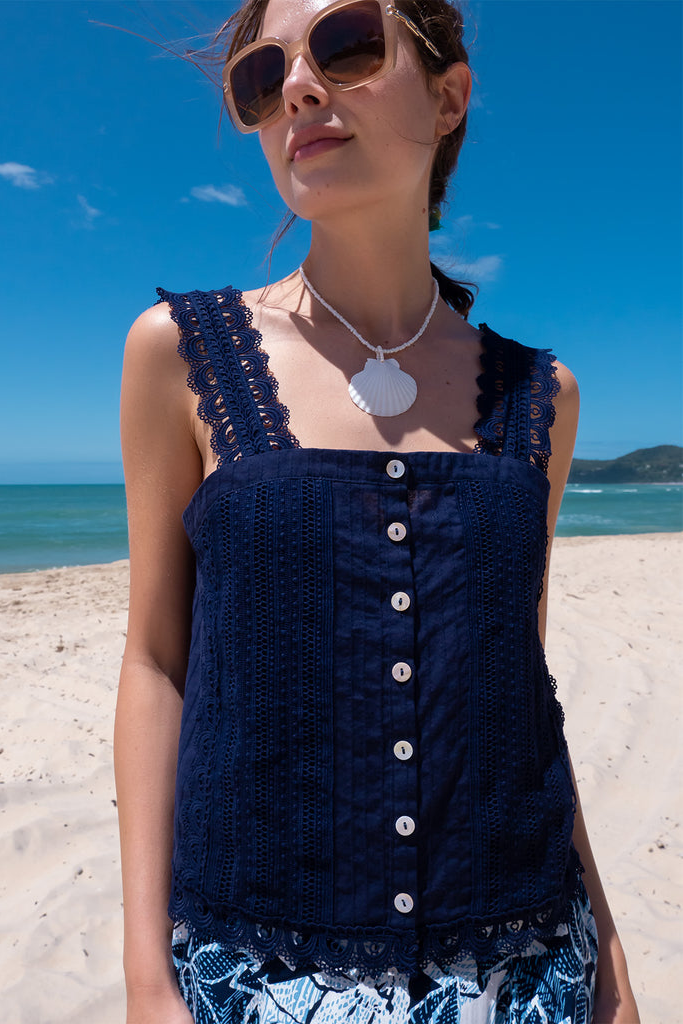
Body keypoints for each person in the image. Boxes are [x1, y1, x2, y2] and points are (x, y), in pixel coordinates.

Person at [115, 1, 641, 1021]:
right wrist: (146, 979)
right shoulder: (180, 355)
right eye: (262, 78)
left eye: (348, 43)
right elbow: (155, 662)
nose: (300, 87)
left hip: (527, 970)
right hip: (257, 974)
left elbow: (520, 695)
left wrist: (610, 957)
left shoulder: (543, 397)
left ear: (448, 97)